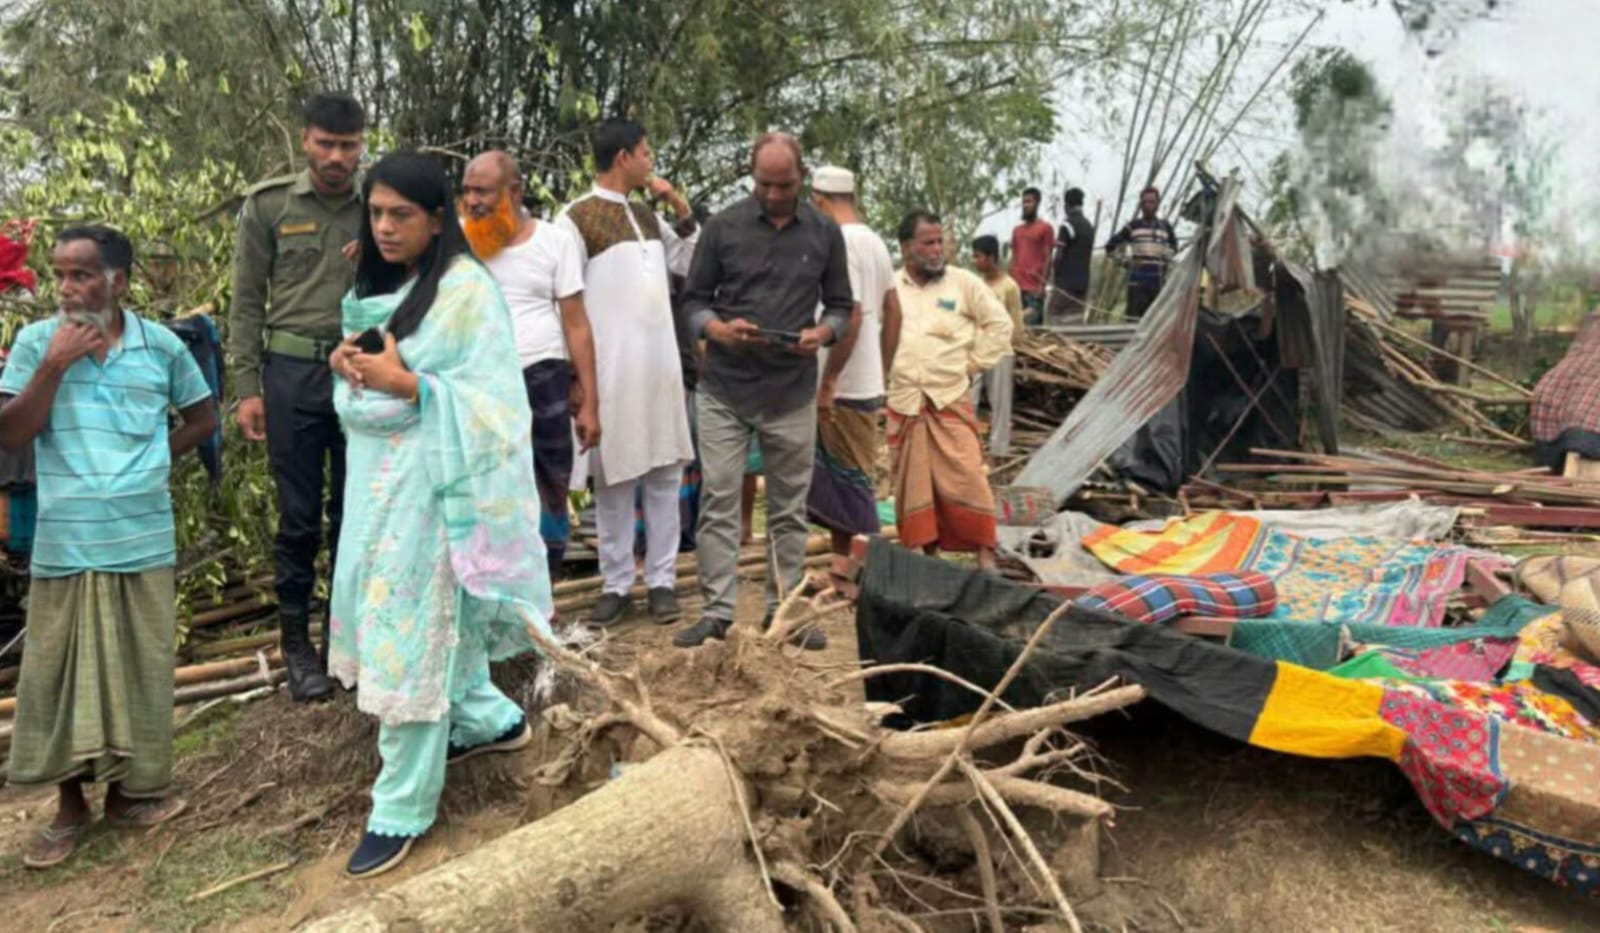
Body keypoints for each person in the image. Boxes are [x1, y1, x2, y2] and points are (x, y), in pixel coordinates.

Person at [325, 152, 552, 878]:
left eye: (402, 215)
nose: (385, 227)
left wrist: (407, 383)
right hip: (383, 490)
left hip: (435, 493)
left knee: (409, 637)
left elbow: (495, 407)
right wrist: (354, 370)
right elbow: (374, 389)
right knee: (426, 625)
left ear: (436, 218)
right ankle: (488, 719)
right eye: (377, 212)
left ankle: (399, 805)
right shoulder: (394, 284)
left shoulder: (465, 292)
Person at [1, 225, 216, 868]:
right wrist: (54, 365)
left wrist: (155, 459)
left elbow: (204, 418)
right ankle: (70, 808)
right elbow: (12, 430)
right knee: (59, 675)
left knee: (137, 668)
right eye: (61, 275)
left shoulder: (162, 347)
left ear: (118, 280)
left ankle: (129, 795)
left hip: (141, 534)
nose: (67, 288)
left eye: (82, 275)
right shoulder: (37, 343)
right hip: (66, 538)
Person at [677, 132, 853, 649]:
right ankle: (717, 613)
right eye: (764, 184)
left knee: (788, 506)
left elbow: (842, 306)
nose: (774, 194)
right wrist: (716, 329)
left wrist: (821, 335)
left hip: (790, 389)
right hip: (725, 388)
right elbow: (692, 302)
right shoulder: (722, 227)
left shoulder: (824, 232)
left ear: (803, 177)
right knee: (720, 496)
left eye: (785, 185)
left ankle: (785, 611)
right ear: (751, 178)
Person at [229, 92, 366, 702]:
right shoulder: (270, 206)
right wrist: (245, 388)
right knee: (300, 517)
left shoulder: (381, 205)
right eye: (326, 144)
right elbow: (246, 301)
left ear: (363, 143)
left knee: (357, 514)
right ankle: (296, 648)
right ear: (304, 139)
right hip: (291, 376)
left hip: (364, 371)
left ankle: (345, 640)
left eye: (349, 146)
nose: (337, 157)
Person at [556, 119, 697, 628]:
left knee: (664, 473)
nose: (651, 159)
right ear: (622, 158)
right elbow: (564, 302)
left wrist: (679, 207)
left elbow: (686, 259)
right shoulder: (573, 218)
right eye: (645, 152)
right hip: (609, 370)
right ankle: (616, 584)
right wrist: (576, 377)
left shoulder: (644, 214)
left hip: (659, 365)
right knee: (613, 478)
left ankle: (661, 581)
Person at [461, 150, 600, 582]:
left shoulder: (554, 242)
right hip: (480, 383)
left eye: (481, 191)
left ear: (514, 191)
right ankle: (497, 588)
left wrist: (590, 402)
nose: (472, 201)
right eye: (466, 191)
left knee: (551, 482)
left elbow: (577, 325)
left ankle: (547, 586)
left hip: (544, 377)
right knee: (489, 488)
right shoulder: (460, 243)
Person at [889, 211, 1012, 570]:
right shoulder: (891, 287)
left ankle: (985, 553)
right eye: (928, 242)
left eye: (940, 241)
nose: (936, 249)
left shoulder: (963, 283)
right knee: (913, 482)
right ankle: (927, 559)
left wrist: (972, 364)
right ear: (906, 247)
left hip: (949, 397)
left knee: (967, 474)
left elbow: (999, 325)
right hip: (905, 400)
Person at [806, 166, 900, 564]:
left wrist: (829, 382)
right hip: (863, 379)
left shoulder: (842, 241)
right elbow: (894, 312)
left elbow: (853, 315)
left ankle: (861, 567)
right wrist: (882, 367)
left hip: (843, 382)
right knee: (841, 479)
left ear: (820, 201)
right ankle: (842, 566)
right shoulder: (874, 241)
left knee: (850, 481)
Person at [969, 235, 1022, 457]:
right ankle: (968, 448)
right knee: (969, 399)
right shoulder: (977, 286)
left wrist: (1012, 347)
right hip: (977, 350)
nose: (974, 260)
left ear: (991, 257)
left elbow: (1015, 322)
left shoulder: (1009, 287)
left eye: (978, 256)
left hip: (1000, 352)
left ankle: (999, 451)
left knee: (1000, 403)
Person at [1105, 185, 1178, 319]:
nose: (1148, 206)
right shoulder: (1133, 226)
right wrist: (1126, 262)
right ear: (1140, 205)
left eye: (1151, 202)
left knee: (1156, 321)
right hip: (1138, 282)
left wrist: (1165, 258)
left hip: (1158, 282)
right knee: (1134, 320)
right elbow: (1110, 247)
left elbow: (1174, 247)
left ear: (1157, 204)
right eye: (1144, 202)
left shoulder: (1165, 227)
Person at [1047, 187, 1096, 324]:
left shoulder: (1067, 224)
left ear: (1066, 205)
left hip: (1065, 284)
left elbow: (1058, 256)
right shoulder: (1089, 226)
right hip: (1082, 284)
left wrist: (1054, 277)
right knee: (1075, 320)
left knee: (1055, 317)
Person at [1009, 186, 1054, 327]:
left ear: (1037, 203)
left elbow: (1048, 258)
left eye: (1029, 202)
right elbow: (1013, 258)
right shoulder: (1017, 230)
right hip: (1017, 288)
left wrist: (1042, 286)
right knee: (1016, 327)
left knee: (1033, 330)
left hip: (1034, 289)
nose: (1025, 205)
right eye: (1024, 202)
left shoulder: (1045, 228)